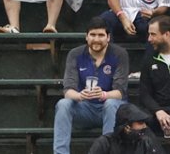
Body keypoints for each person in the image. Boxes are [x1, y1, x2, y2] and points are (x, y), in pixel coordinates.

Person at [54, 19, 130, 154]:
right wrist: (79, 95)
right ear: (86, 36)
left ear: (108, 37)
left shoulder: (119, 54)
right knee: (63, 104)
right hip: (85, 108)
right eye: (93, 35)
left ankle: (109, 151)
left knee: (111, 103)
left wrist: (103, 95)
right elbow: (68, 90)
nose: (96, 39)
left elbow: (120, 92)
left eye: (101, 35)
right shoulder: (75, 54)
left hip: (112, 110)